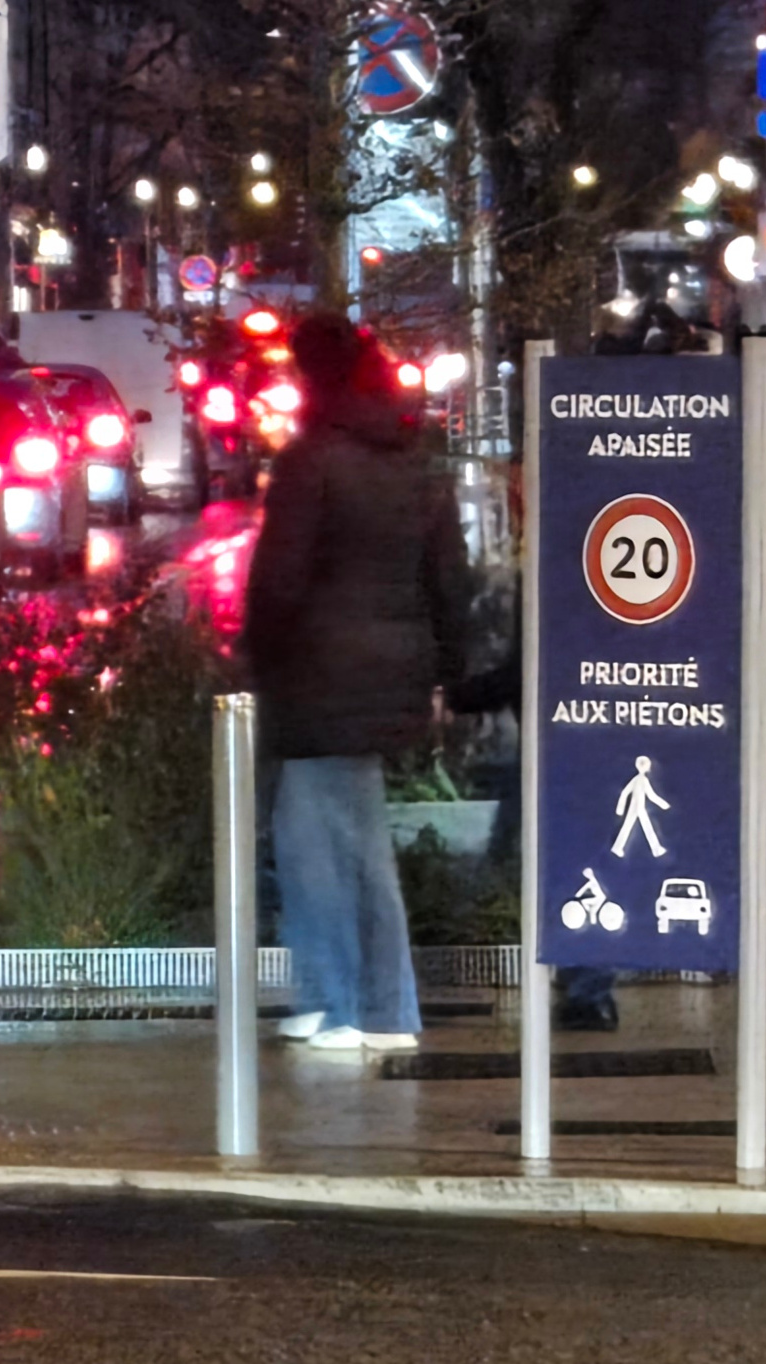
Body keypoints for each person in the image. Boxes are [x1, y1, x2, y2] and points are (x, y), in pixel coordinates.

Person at [244, 315, 470, 1053]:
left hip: (317, 676)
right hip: (389, 673)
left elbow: (278, 581)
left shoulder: (314, 461)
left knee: (316, 843)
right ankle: (355, 1001)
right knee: (347, 837)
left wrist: (256, 658)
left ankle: (359, 1006)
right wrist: (448, 672)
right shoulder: (413, 461)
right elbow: (449, 578)